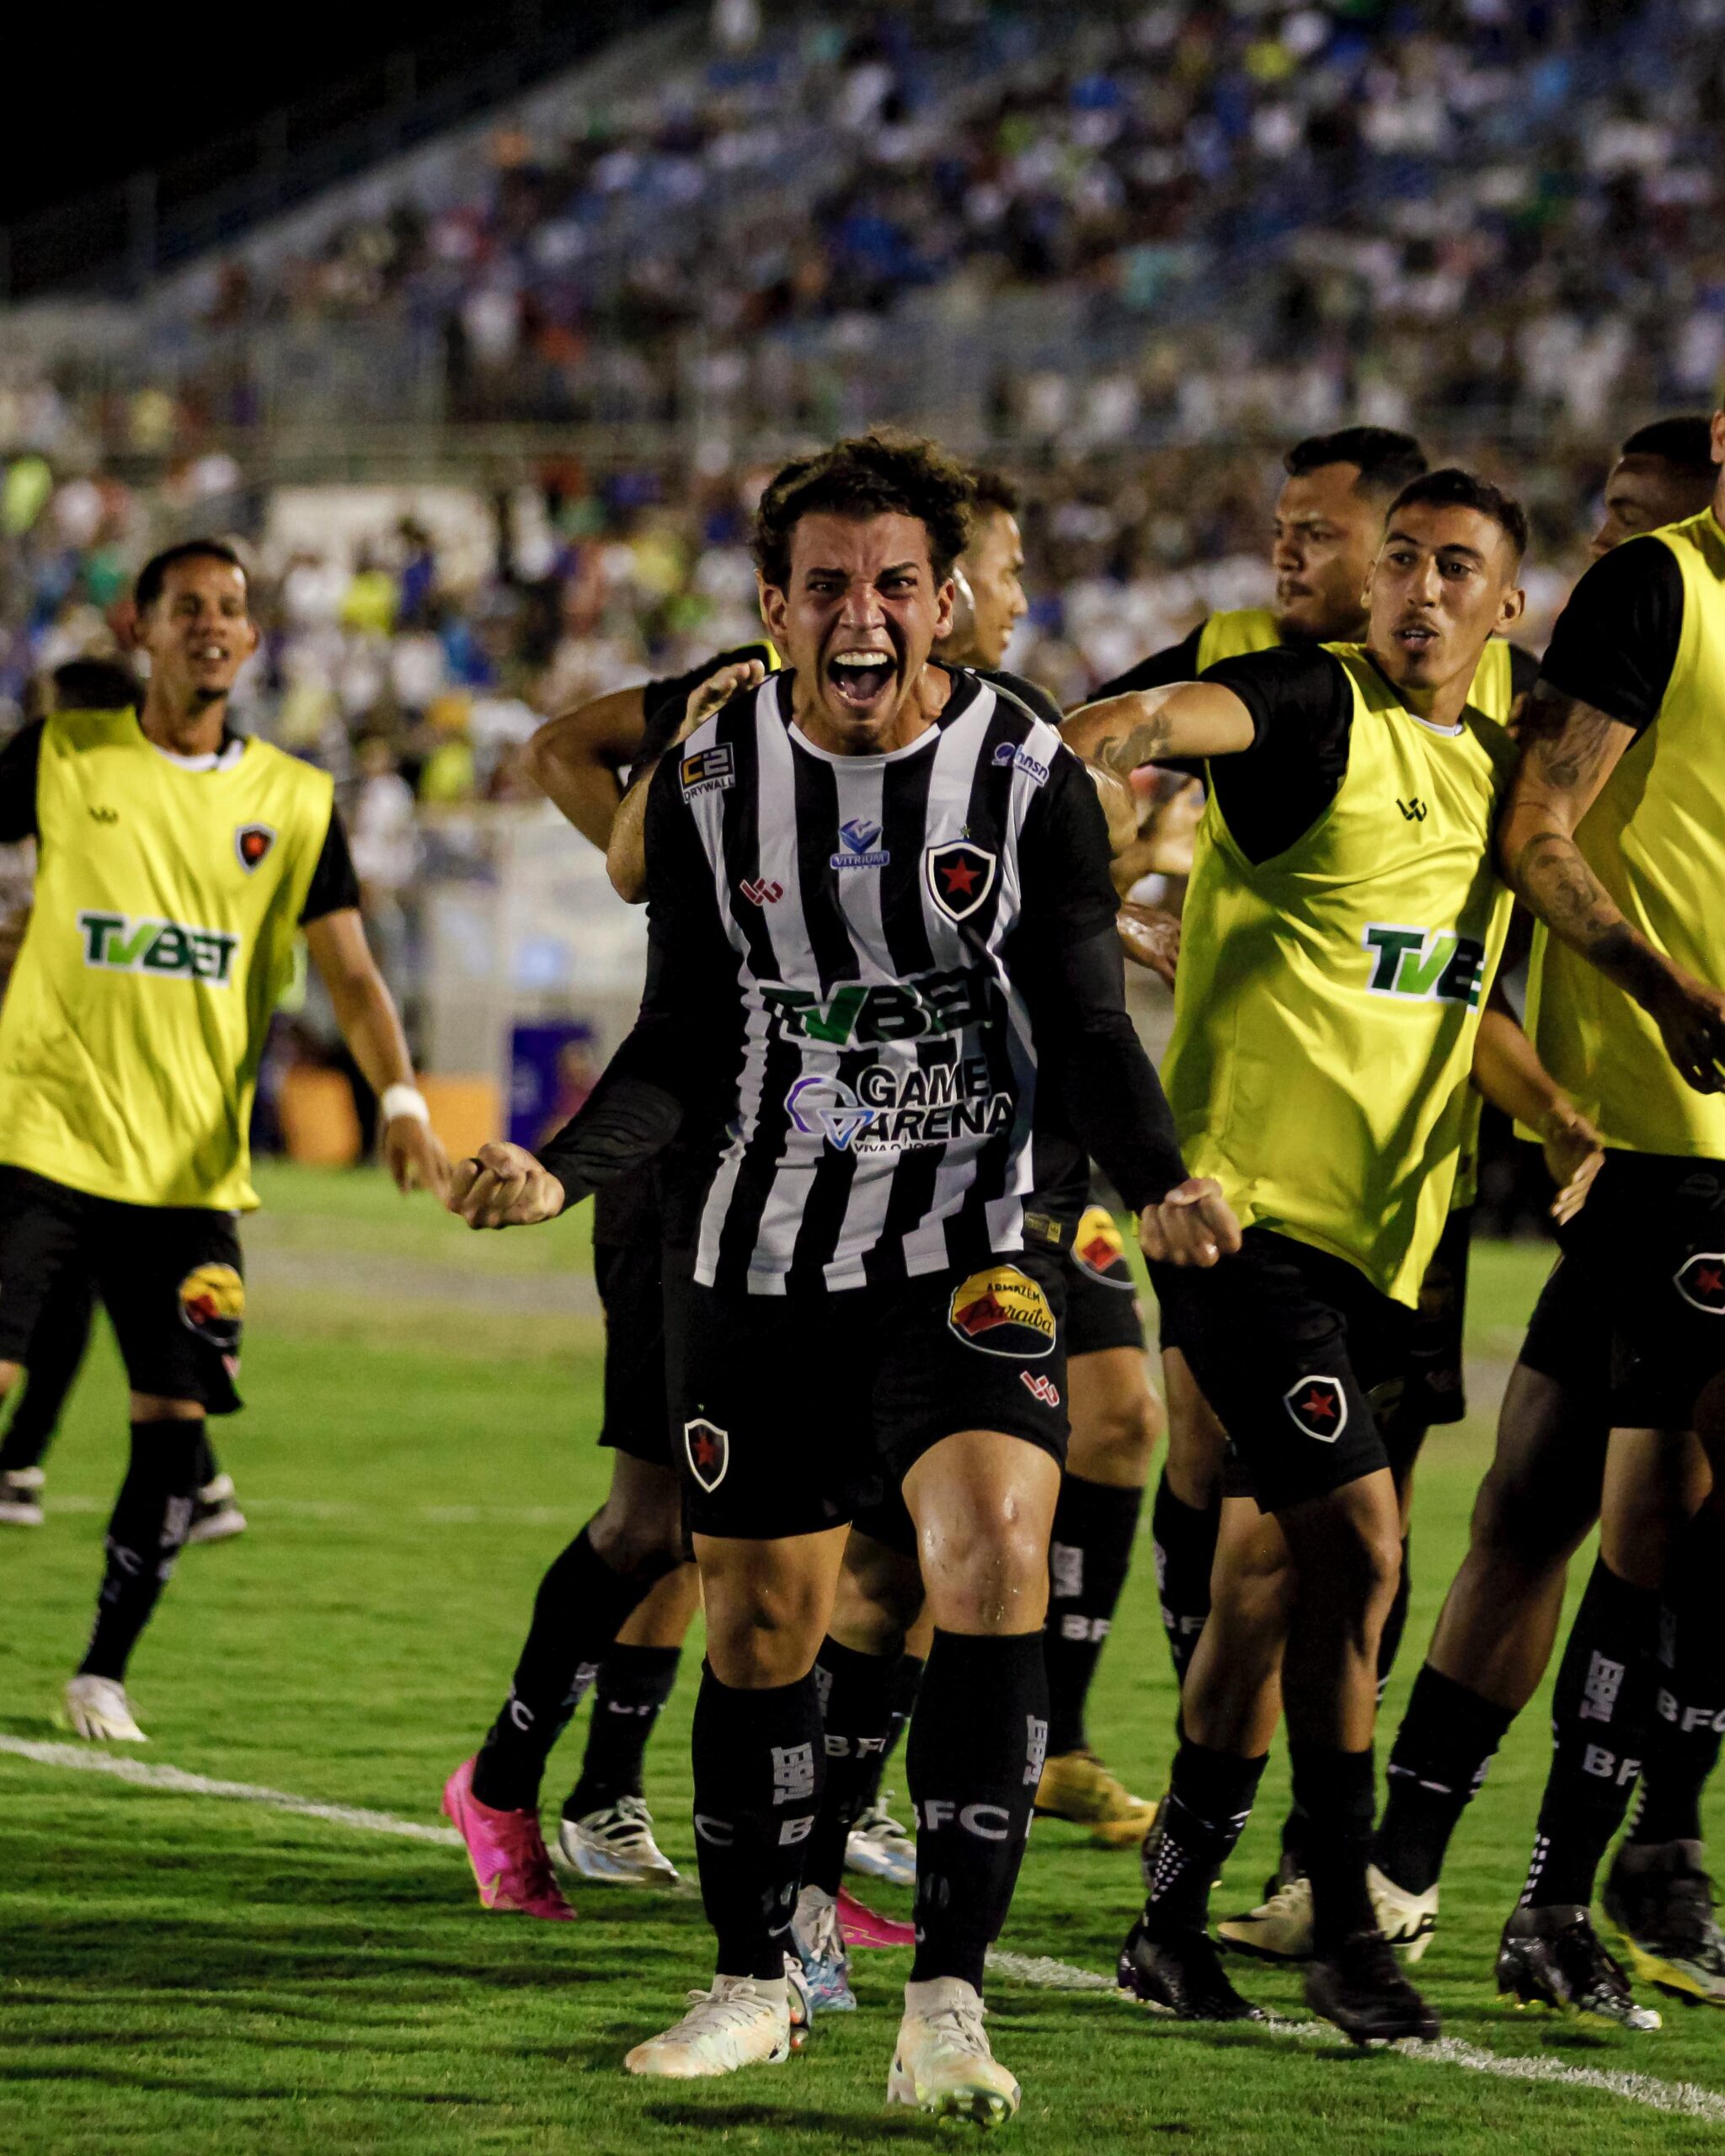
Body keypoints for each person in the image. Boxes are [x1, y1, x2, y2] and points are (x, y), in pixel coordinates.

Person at [450, 433, 1228, 2119]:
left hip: (965, 1249)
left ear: (945, 603)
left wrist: (1163, 1179)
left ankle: (947, 1995)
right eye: (826, 585)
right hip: (753, 1254)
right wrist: (553, 1163)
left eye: (892, 583)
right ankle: (752, 1973)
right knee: (756, 1621)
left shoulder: (1025, 771)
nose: (860, 615)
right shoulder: (718, 775)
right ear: (771, 607)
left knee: (989, 1549)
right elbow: (676, 1039)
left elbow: (1089, 1024)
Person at [1063, 467, 1530, 2041]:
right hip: (1237, 1220)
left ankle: (1170, 1927)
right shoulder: (1311, 703)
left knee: (1284, 1583)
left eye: (1452, 568)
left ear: (1505, 609)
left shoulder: (1516, 771)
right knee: (1365, 1548)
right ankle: (1341, 1920)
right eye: (1396, 560)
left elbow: (1472, 1014)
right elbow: (1160, 722)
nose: (1415, 591)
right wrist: (1103, 759)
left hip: (1387, 1250)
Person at [1374, 405, 1725, 2023]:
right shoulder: (1656, 591)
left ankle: (1417, 1871)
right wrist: (1660, 996)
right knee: (1636, 1514)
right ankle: (1592, 1872)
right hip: (1675, 1130)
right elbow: (1534, 833)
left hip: (1661, 1140)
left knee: (1539, 1507)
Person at [0, 541, 447, 1742]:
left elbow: (350, 972)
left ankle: (102, 1671)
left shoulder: (297, 803)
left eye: (231, 611)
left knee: (173, 1417)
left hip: (190, 1173)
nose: (212, 625)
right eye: (186, 607)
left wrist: (402, 1100)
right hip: (39, 1137)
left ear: (253, 642)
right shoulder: (60, 753)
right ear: (140, 631)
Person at [441, 635, 773, 1903]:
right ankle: (518, 1782)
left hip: (822, 1193)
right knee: (665, 1522)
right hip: (679, 1181)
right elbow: (558, 751)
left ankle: (725, 1826)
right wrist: (564, 1169)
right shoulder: (731, 705)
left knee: (775, 1527)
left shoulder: (960, 735)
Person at [0, 658, 246, 1543]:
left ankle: (24, 1464)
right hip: (80, 1102)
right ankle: (191, 1485)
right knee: (91, 1292)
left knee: (65, 1292)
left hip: (87, 1106)